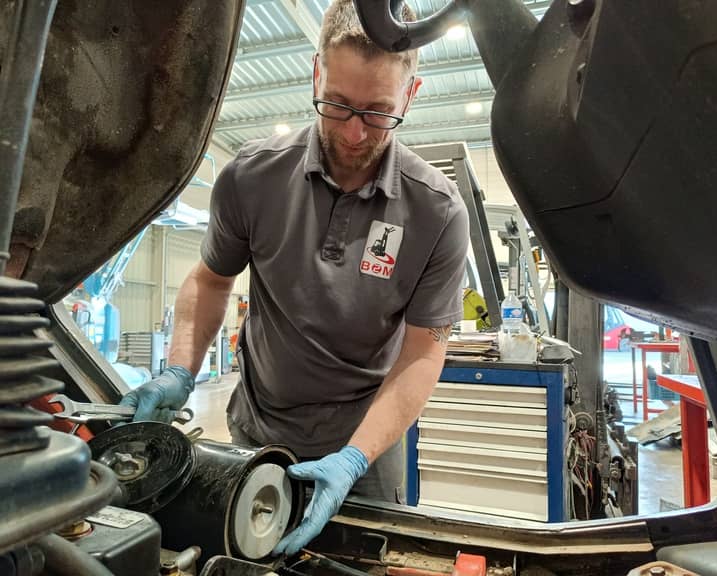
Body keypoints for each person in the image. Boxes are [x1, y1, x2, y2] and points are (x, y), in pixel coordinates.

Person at [120, 0, 469, 556]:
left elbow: (424, 351)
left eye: (378, 112)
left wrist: (355, 458)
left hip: (365, 445)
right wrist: (180, 372)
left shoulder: (437, 211)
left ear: (411, 94)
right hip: (257, 430)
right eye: (337, 104)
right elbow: (211, 281)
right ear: (315, 73)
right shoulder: (250, 178)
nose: (355, 134)